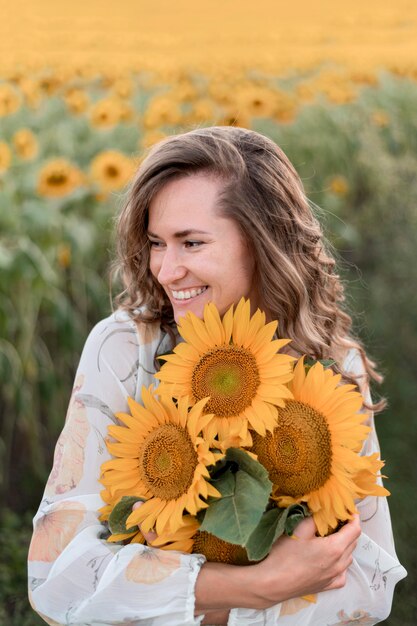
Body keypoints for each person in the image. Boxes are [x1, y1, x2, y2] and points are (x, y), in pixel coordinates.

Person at [28, 126, 406, 626]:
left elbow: (368, 584)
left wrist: (165, 585)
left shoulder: (331, 363)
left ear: (264, 242)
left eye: (191, 243)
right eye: (157, 243)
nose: (165, 270)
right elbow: (55, 573)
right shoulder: (125, 349)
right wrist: (257, 586)